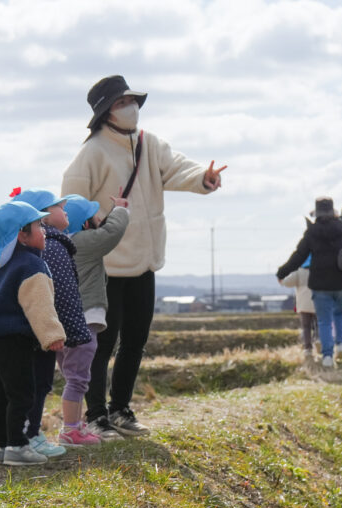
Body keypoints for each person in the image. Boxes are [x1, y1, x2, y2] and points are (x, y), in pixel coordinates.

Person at [61, 75, 226, 436]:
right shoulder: (91, 153)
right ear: (106, 113)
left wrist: (204, 177)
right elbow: (71, 203)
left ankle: (121, 408)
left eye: (131, 101)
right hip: (105, 265)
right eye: (121, 103)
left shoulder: (149, 144)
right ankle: (96, 415)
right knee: (101, 344)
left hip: (144, 260)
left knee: (135, 340)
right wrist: (88, 232)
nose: (130, 108)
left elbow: (178, 167)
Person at [0, 200, 66, 466]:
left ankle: (2, 446)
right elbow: (39, 305)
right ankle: (18, 445)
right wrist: (52, 335)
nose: (44, 230)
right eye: (38, 225)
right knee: (23, 394)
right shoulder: (31, 265)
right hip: (16, 340)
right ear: (22, 235)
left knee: (0, 395)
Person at [10, 189, 94, 452]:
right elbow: (63, 295)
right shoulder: (54, 248)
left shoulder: (22, 251)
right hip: (41, 332)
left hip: (28, 331)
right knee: (39, 383)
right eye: (58, 206)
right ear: (43, 217)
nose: (64, 208)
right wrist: (72, 331)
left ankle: (18, 438)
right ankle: (30, 436)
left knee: (27, 385)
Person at [276, 197, 342, 368]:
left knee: (324, 321)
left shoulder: (312, 233)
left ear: (317, 213)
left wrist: (282, 272)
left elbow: (298, 256)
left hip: (320, 284)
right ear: (333, 212)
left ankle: (327, 356)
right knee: (340, 314)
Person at [65, 194, 131, 441]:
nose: (100, 219)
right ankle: (73, 428)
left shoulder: (61, 242)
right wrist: (120, 209)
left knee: (75, 376)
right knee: (79, 377)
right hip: (87, 317)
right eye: (95, 216)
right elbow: (111, 233)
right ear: (85, 224)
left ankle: (75, 425)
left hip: (70, 317)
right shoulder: (82, 242)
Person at [280, 255, 317, 360]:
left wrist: (281, 279)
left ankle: (308, 348)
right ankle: (318, 340)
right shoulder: (318, 270)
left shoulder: (299, 271)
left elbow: (287, 282)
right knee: (319, 324)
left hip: (303, 304)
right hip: (317, 302)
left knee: (306, 327)